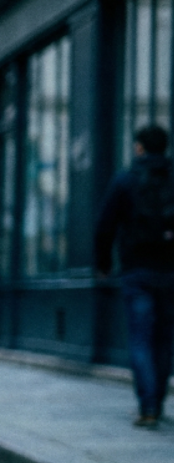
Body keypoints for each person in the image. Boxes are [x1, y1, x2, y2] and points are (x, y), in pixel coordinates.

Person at [96, 124, 174, 427]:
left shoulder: (125, 180)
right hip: (170, 271)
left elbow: (104, 226)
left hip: (137, 271)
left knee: (141, 339)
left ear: (139, 147)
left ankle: (148, 407)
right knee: (164, 339)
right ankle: (158, 402)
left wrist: (103, 265)